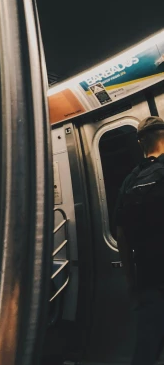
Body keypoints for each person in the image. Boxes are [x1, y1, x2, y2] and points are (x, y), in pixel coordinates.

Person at [115, 116, 164, 365]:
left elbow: (121, 235)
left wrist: (130, 279)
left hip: (147, 275)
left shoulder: (131, 180)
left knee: (146, 349)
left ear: (140, 141)